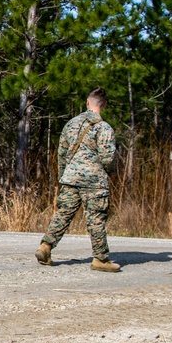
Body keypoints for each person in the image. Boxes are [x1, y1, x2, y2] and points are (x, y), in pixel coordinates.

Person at [35, 87, 119, 272]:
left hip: (70, 177)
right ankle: (100, 259)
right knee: (96, 218)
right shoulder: (104, 127)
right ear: (104, 105)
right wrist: (111, 173)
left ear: (87, 102)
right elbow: (107, 157)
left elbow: (62, 153)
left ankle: (46, 247)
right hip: (93, 180)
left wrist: (63, 176)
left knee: (63, 214)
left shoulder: (70, 124)